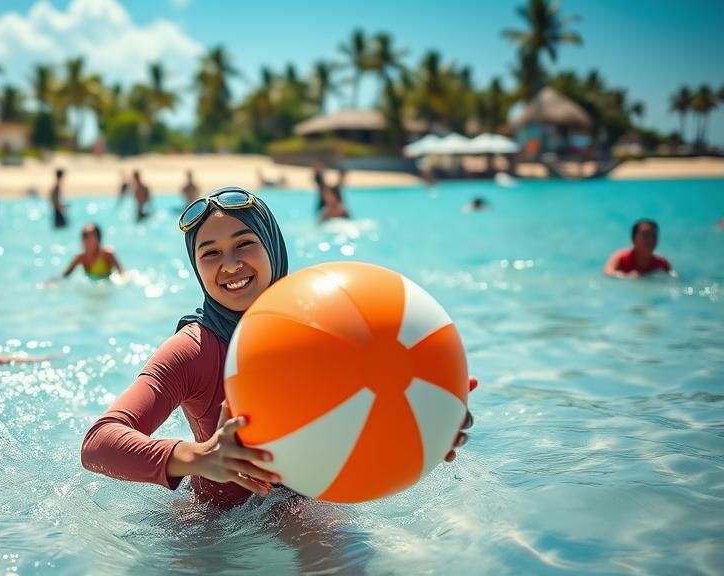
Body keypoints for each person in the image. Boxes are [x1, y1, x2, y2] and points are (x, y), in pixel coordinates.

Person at [81, 187, 475, 508]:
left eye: (244, 243)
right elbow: (98, 442)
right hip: (218, 531)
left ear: (272, 245)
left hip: (309, 507)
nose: (231, 264)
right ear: (196, 267)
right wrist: (200, 458)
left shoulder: (327, 327)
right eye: (211, 253)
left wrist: (429, 422)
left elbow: (362, 414)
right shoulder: (194, 350)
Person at [604, 219, 673, 278]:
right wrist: (626, 276)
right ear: (633, 239)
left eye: (653, 236)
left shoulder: (662, 264)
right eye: (645, 235)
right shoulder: (621, 258)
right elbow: (608, 273)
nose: (650, 240)